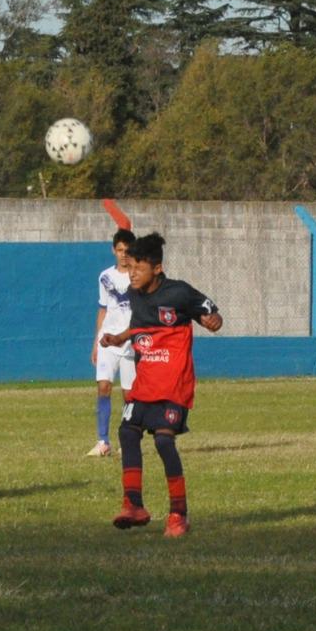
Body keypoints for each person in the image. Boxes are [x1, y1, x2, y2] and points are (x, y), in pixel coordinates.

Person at [99, 232, 223, 537]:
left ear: (157, 268)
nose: (132, 274)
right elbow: (140, 327)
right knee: (127, 432)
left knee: (164, 442)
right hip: (146, 382)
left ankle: (179, 515)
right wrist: (119, 338)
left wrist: (213, 320)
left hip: (174, 385)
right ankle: (133, 505)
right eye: (130, 268)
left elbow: (210, 312)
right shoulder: (135, 294)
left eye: (138, 268)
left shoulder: (179, 292)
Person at [88, 228, 137, 457]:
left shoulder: (139, 276)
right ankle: (103, 441)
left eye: (127, 250)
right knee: (103, 387)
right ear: (113, 251)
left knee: (129, 394)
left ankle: (128, 441)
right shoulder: (105, 277)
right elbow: (103, 309)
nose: (123, 254)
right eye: (120, 250)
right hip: (107, 340)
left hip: (130, 343)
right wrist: (96, 342)